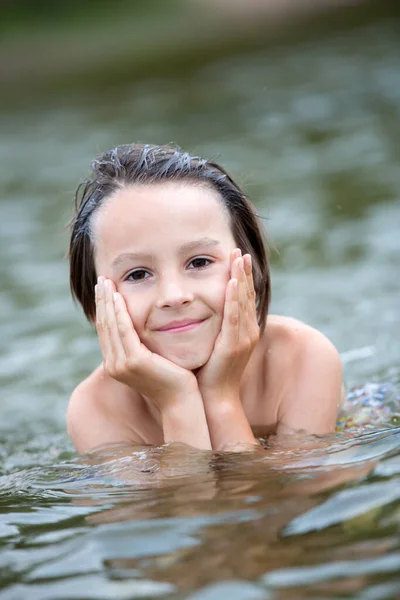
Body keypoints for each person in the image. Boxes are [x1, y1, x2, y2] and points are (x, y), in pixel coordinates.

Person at [67, 143, 343, 455]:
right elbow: (192, 504)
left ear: (252, 272)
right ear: (95, 306)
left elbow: (285, 501)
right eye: (138, 274)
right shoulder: (96, 410)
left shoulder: (302, 359)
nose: (174, 296)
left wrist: (221, 396)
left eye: (199, 262)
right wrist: (176, 402)